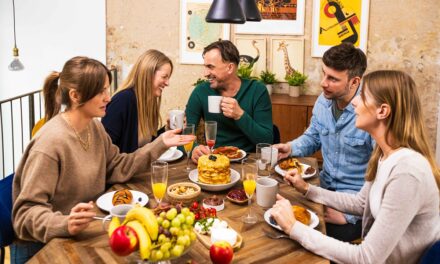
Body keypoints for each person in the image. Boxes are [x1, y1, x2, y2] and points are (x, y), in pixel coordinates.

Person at [11, 56, 194, 263]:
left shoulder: (94, 127)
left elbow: (118, 166)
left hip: (83, 234)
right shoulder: (51, 143)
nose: (108, 97)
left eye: (107, 89)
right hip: (45, 249)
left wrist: (160, 143)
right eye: (101, 92)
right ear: (75, 95)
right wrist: (64, 223)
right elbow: (24, 215)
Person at [271, 70, 440, 263]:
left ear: (382, 111)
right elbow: (360, 203)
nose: (354, 102)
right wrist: (307, 189)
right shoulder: (384, 156)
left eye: (362, 96)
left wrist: (294, 228)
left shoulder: (407, 172)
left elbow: (366, 258)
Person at [274, 43, 374, 242]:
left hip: (354, 206)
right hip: (322, 190)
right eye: (324, 74)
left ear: (354, 82)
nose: (323, 83)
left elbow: (381, 179)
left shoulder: (371, 110)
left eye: (333, 79)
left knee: (298, 238)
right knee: (276, 215)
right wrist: (291, 147)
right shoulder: (323, 100)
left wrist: (349, 215)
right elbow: (313, 137)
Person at [186, 40, 273, 163]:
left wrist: (240, 115)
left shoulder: (257, 91)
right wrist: (194, 149)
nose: (205, 73)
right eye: (205, 67)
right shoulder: (201, 92)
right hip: (214, 161)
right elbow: (183, 134)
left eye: (210, 67)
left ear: (230, 68)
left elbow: (266, 142)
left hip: (249, 162)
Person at [102, 49, 173, 153]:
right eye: (164, 77)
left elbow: (146, 145)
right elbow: (105, 151)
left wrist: (167, 129)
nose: (167, 83)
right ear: (148, 74)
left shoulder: (147, 101)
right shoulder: (122, 101)